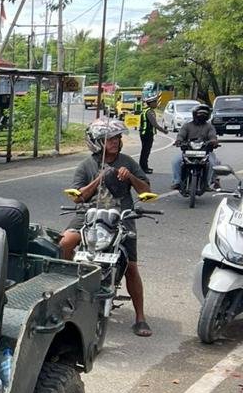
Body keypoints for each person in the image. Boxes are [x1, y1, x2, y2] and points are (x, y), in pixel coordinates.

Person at [60, 118, 152, 337]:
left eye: (117, 137)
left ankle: (140, 317)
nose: (115, 141)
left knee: (131, 266)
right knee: (64, 243)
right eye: (110, 138)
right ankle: (64, 293)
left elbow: (145, 190)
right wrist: (99, 179)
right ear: (98, 141)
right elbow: (77, 197)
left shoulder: (128, 162)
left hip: (122, 217)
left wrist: (130, 177)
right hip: (88, 216)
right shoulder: (87, 165)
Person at [171, 105, 219, 191]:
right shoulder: (187, 126)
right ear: (194, 114)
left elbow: (213, 136)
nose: (202, 116)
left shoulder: (209, 127)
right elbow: (181, 135)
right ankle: (177, 182)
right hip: (188, 151)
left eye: (204, 114)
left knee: (213, 163)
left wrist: (213, 141)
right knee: (175, 161)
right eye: (200, 114)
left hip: (205, 151)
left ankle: (207, 184)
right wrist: (179, 141)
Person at [138, 93, 167, 173]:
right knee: (145, 151)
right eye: (155, 102)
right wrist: (163, 131)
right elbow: (154, 124)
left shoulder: (148, 111)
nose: (156, 104)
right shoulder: (149, 112)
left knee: (145, 151)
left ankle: (144, 167)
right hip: (146, 134)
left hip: (146, 134)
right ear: (150, 103)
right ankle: (143, 168)